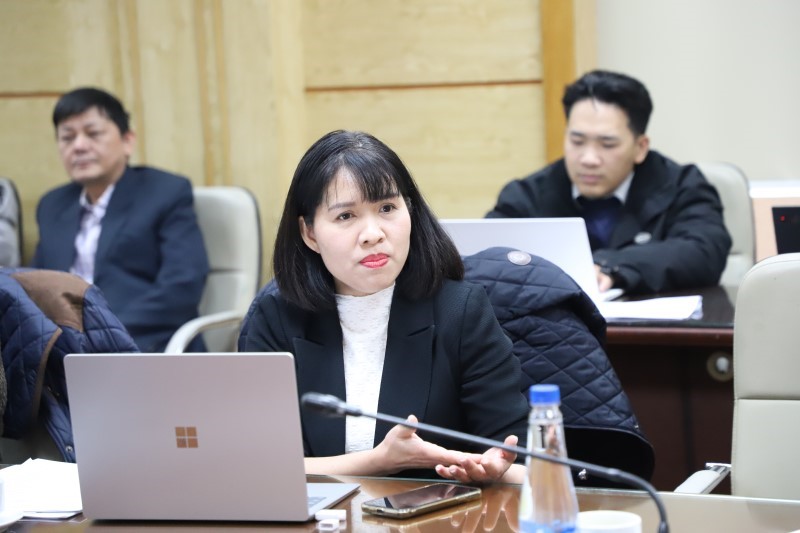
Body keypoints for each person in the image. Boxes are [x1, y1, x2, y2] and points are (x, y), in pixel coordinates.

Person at [239, 130, 529, 483]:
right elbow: (259, 465)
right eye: (346, 216)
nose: (373, 234)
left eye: (387, 208)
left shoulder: (461, 311)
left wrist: (496, 471)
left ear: (410, 210)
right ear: (309, 233)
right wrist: (378, 462)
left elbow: (523, 462)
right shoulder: (276, 316)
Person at [487, 70, 731, 295]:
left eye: (607, 144)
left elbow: (705, 251)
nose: (589, 159)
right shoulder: (527, 194)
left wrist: (609, 266)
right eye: (577, 141)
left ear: (640, 147)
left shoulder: (682, 186)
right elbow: (484, 257)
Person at [31, 87, 209, 352]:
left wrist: (101, 335)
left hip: (144, 344)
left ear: (127, 141)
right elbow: (35, 286)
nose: (79, 146)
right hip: (65, 350)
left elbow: (182, 286)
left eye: (93, 133)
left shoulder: (165, 192)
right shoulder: (52, 205)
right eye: (67, 137)